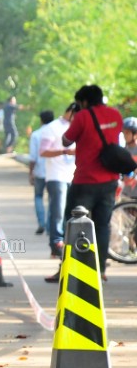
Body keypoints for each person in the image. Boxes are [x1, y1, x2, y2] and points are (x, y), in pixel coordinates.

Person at [48, 85, 124, 282]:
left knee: (73, 224)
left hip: (85, 180)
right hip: (109, 180)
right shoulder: (115, 115)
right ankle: (100, 271)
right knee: (102, 225)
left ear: (83, 102)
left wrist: (77, 119)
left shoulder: (82, 117)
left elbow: (66, 140)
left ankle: (69, 268)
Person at [39, 104, 76, 261]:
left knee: (70, 212)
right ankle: (56, 243)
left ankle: (67, 244)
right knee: (58, 212)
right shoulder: (52, 128)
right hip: (56, 176)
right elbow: (43, 151)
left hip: (73, 175)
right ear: (70, 112)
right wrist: (64, 151)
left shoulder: (76, 127)